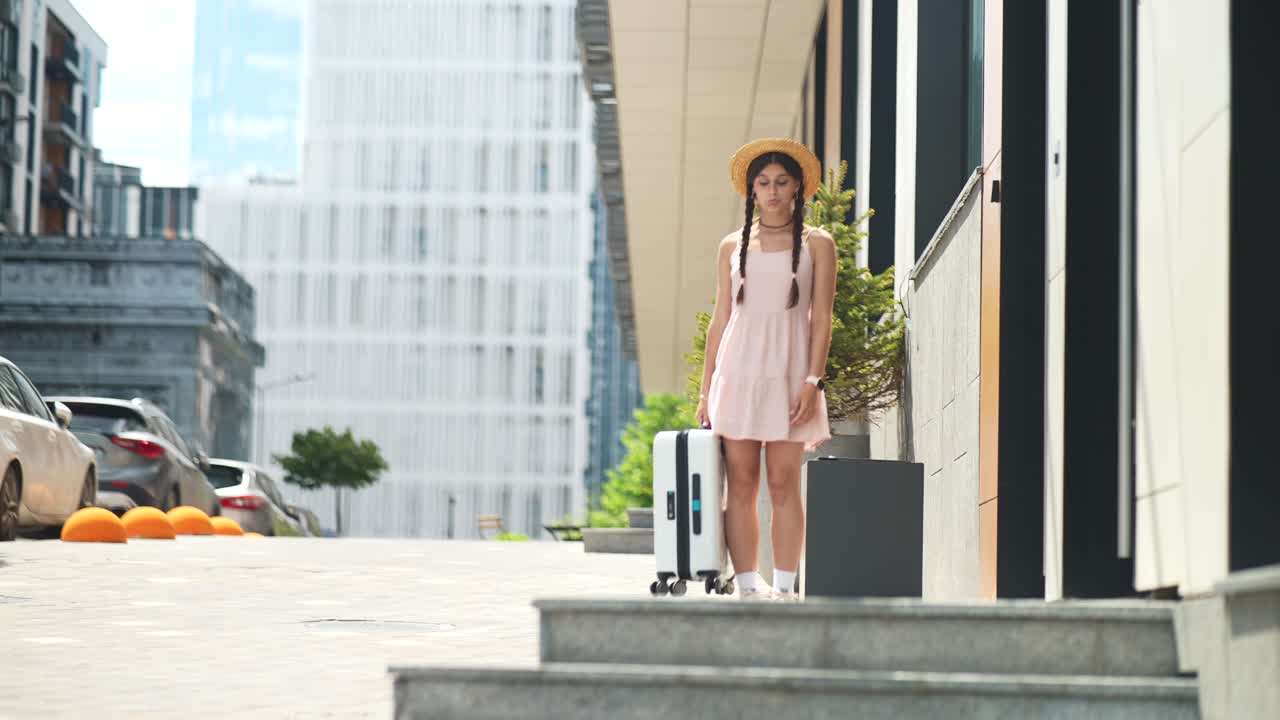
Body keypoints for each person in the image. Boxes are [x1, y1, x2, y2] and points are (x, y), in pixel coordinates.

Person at [695, 138, 835, 601]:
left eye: (781, 182)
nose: (772, 191)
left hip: (790, 374)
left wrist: (812, 382)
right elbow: (720, 319)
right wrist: (704, 390)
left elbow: (821, 318)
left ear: (797, 187)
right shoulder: (731, 245)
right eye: (763, 183)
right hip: (736, 373)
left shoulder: (818, 244)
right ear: (751, 190)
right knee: (740, 483)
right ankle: (749, 586)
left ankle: (788, 588)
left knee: (782, 481)